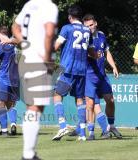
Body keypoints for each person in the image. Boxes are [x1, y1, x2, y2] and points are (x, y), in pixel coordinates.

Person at [12, 0, 58, 159]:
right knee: (34, 107)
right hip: (39, 61)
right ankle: (28, 154)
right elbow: (50, 32)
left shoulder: (29, 4)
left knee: (35, 107)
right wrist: (46, 59)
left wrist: (26, 46)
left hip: (27, 59)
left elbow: (14, 27)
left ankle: (30, 153)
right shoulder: (49, 7)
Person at [52, 5, 98, 141]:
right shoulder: (87, 30)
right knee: (79, 100)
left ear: (70, 16)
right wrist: (97, 55)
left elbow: (56, 46)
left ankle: (62, 125)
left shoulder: (67, 28)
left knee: (57, 95)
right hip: (82, 70)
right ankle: (83, 134)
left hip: (68, 68)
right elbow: (91, 52)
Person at [83, 13, 122, 139]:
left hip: (102, 76)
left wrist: (114, 67)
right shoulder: (84, 38)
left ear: (96, 23)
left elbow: (107, 52)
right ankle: (93, 132)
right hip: (89, 76)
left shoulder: (101, 35)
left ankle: (111, 126)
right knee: (91, 104)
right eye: (87, 26)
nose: (90, 27)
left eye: (91, 24)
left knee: (110, 100)